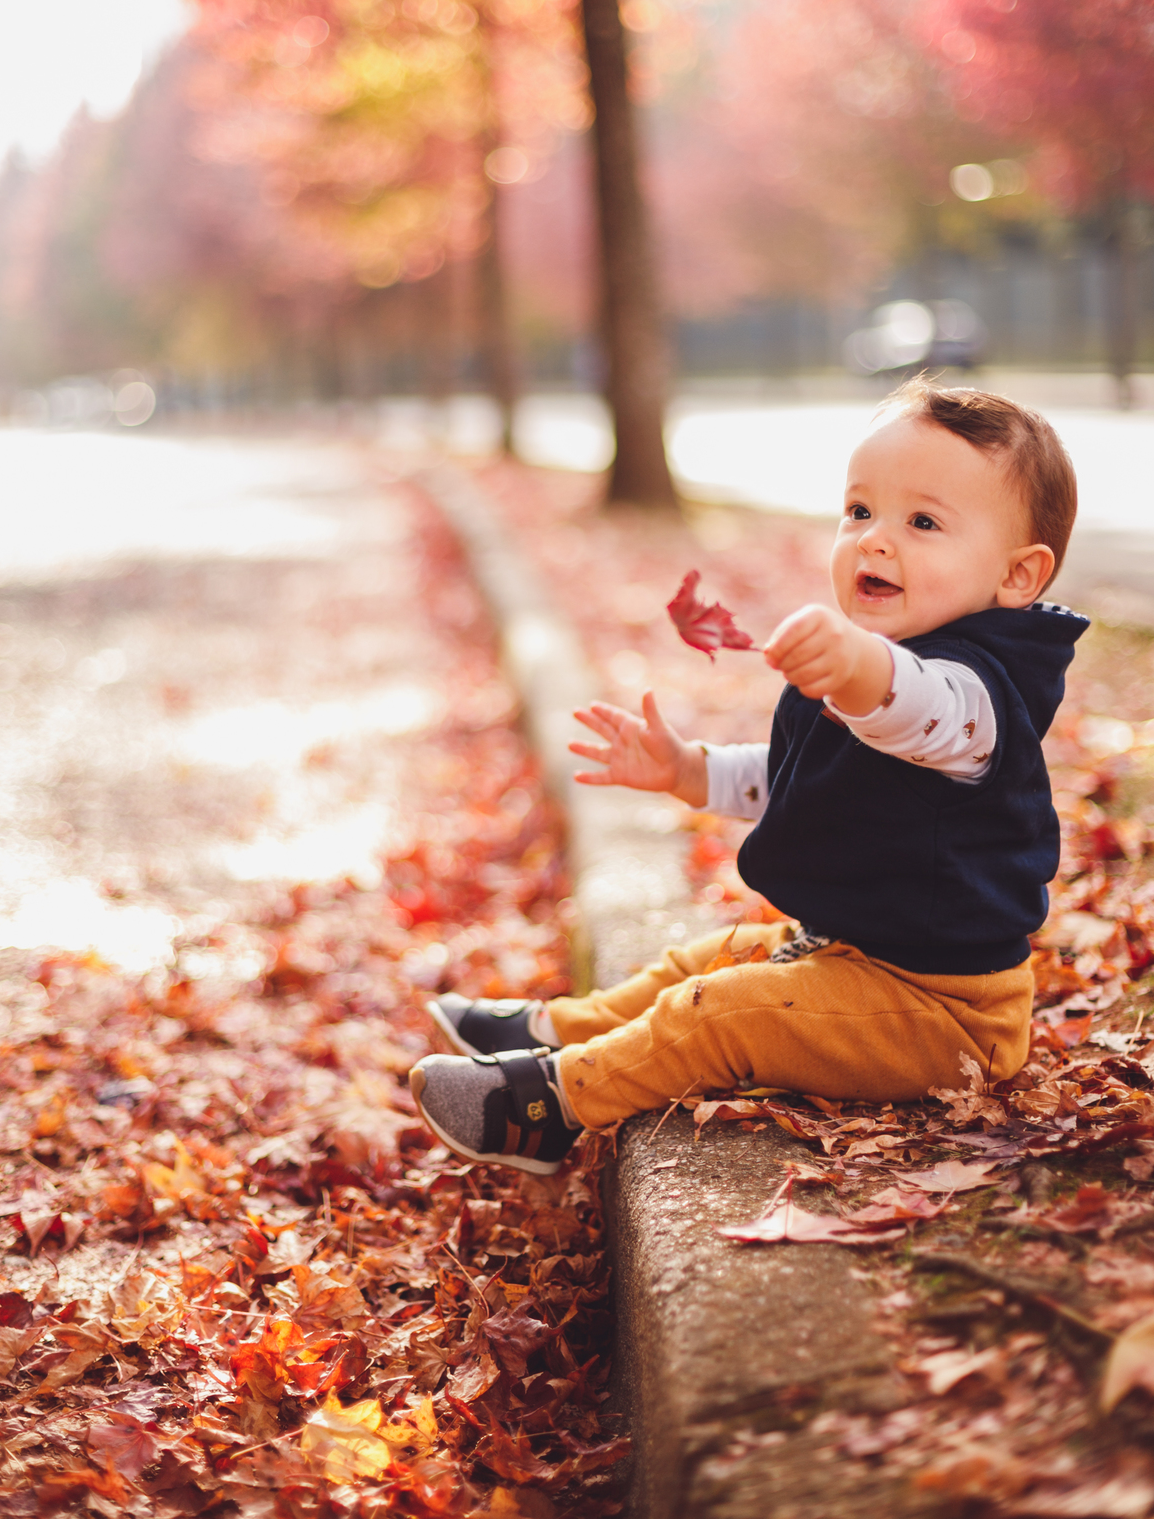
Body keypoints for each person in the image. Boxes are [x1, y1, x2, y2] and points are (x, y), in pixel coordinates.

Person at [409, 379, 1087, 1174]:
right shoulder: (875, 666)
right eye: (859, 511)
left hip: (948, 1017)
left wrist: (860, 667)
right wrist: (687, 770)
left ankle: (548, 1107)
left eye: (923, 523)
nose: (873, 541)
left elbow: (917, 710)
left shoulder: (979, 698)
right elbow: (802, 781)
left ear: (1017, 577)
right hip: (857, 960)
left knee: (723, 1012)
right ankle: (556, 1029)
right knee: (707, 961)